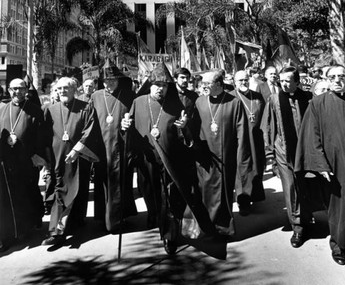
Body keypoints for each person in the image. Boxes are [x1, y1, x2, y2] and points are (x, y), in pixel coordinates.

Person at [122, 62, 216, 254]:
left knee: (169, 199)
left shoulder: (176, 105)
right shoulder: (138, 102)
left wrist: (184, 128)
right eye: (157, 85)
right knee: (152, 195)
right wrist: (124, 126)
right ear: (150, 85)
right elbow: (128, 131)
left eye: (164, 86)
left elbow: (189, 137)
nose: (160, 89)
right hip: (147, 161)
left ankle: (169, 236)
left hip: (171, 162)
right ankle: (157, 219)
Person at [295, 65, 345, 265]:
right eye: (333, 77)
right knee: (337, 207)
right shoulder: (318, 104)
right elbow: (312, 136)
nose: (337, 80)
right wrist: (322, 165)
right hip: (334, 166)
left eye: (341, 76)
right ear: (327, 79)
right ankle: (339, 247)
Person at [41, 77, 100, 246]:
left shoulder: (85, 107)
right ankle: (56, 232)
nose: (62, 91)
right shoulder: (50, 110)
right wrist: (46, 159)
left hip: (80, 155)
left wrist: (77, 149)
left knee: (79, 190)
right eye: (59, 89)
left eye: (66, 88)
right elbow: (45, 136)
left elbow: (90, 129)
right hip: (58, 158)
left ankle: (76, 222)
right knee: (60, 191)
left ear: (75, 89)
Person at [193, 70, 251, 239]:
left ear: (218, 84)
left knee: (224, 194)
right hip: (206, 158)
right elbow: (194, 129)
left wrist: (242, 159)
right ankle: (207, 227)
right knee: (206, 193)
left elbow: (242, 133)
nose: (203, 87)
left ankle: (224, 229)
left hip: (227, 158)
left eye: (207, 84)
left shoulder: (234, 103)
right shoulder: (199, 102)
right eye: (202, 84)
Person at [261, 65, 313, 248]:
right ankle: (297, 227)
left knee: (305, 185)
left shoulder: (307, 98)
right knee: (290, 187)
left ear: (297, 82)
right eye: (281, 80)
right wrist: (271, 156)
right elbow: (267, 128)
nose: (283, 84)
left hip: (305, 150)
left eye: (287, 81)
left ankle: (307, 217)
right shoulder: (274, 100)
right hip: (284, 151)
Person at [0, 78, 47, 252]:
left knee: (28, 193)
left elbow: (41, 136)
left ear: (26, 90)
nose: (17, 92)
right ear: (9, 90)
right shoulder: (2, 109)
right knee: (11, 198)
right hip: (7, 162)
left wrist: (39, 156)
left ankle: (28, 227)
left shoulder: (35, 110)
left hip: (27, 160)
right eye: (13, 89)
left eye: (20, 89)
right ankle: (13, 230)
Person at [90, 65, 137, 234]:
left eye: (112, 80)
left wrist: (129, 126)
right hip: (102, 147)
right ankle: (104, 217)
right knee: (103, 183)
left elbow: (136, 120)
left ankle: (119, 218)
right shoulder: (95, 96)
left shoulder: (129, 96)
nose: (108, 84)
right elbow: (90, 122)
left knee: (120, 183)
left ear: (118, 80)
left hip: (121, 147)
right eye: (105, 81)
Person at [233, 70, 265, 215]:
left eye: (246, 80)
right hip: (240, 141)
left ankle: (255, 196)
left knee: (256, 168)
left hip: (256, 139)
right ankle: (243, 202)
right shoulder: (231, 98)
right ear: (234, 82)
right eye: (240, 80)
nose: (243, 83)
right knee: (242, 171)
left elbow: (264, 117)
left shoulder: (257, 97)